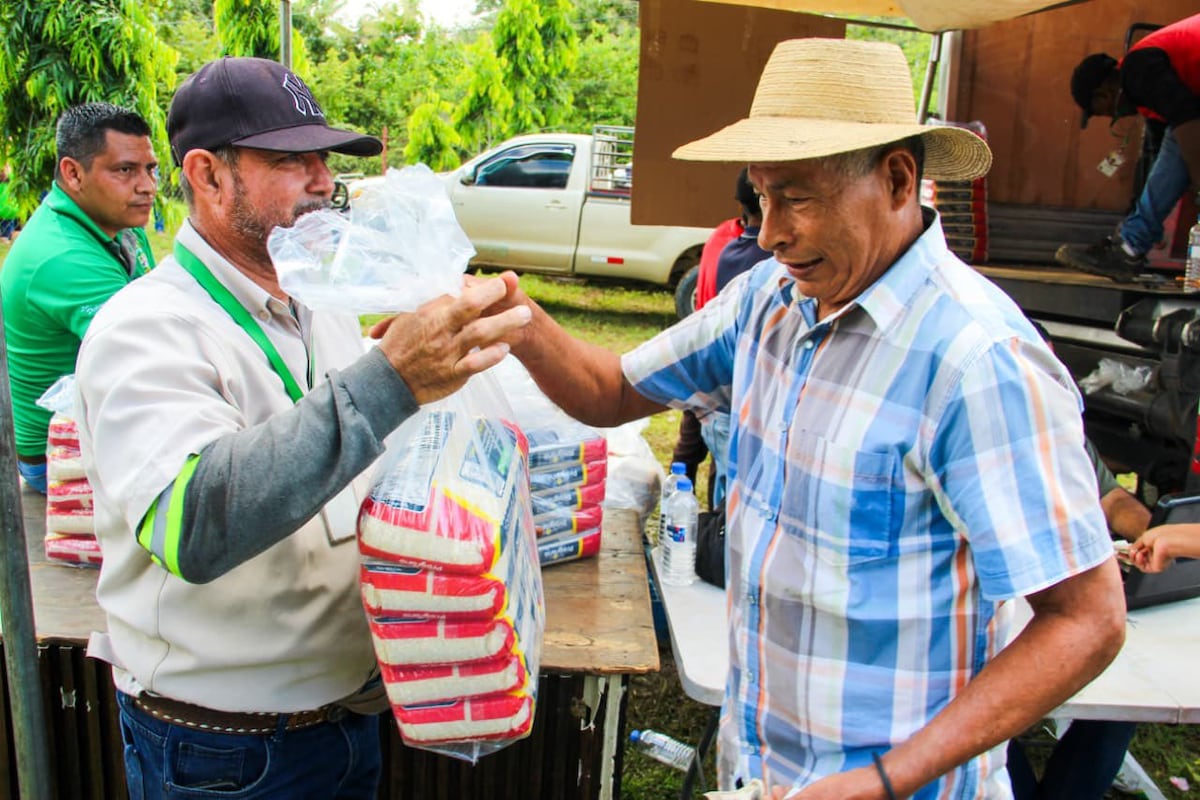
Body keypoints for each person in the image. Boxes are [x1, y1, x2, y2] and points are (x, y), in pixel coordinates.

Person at [487, 38, 1126, 797]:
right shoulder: (767, 304)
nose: (768, 232)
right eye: (761, 197)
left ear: (896, 180)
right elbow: (611, 390)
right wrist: (518, 321)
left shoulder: (977, 362)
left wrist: (885, 779)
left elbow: (1086, 620)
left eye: (795, 197)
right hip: (759, 772)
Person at [74, 57, 531, 798]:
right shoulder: (146, 328)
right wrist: (390, 380)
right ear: (207, 175)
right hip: (225, 752)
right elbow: (194, 521)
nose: (323, 181)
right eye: (291, 161)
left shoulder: (319, 302)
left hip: (343, 721)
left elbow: (352, 457)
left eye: (324, 159)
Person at [0, 103, 158, 495]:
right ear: (73, 173)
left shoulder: (116, 223)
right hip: (59, 459)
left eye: (150, 169)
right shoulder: (64, 256)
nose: (147, 186)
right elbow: (157, 353)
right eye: (125, 170)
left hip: (100, 426)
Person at [1055, 12, 1200, 282]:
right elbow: (1160, 164)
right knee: (1178, 141)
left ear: (1104, 93)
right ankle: (1130, 244)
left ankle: (1130, 246)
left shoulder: (1139, 69)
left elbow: (1190, 122)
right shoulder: (1148, 89)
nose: (1110, 117)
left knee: (1183, 139)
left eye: (1099, 111)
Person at [674, 168, 771, 498]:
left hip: (708, 370)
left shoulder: (726, 245)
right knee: (728, 472)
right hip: (739, 387)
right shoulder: (771, 261)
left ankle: (678, 498)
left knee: (689, 452)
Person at [0, 163, 19, 241]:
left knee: (5, 235)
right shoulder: (13, 176)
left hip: (5, 210)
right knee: (7, 234)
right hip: (10, 210)